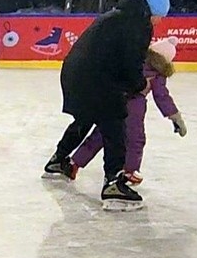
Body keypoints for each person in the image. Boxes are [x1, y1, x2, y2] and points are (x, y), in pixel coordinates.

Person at [43, 0, 170, 210]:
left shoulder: (118, 15)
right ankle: (113, 184)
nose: (159, 22)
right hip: (96, 76)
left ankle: (58, 160)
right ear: (155, 12)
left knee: (87, 116)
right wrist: (140, 85)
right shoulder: (139, 25)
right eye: (161, 16)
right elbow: (131, 63)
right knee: (115, 122)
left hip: (75, 72)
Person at [69, 37, 187, 185]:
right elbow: (162, 97)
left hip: (113, 100)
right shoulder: (157, 74)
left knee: (101, 134)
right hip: (133, 108)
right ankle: (130, 171)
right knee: (135, 139)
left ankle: (75, 162)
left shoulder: (135, 61)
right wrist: (175, 116)